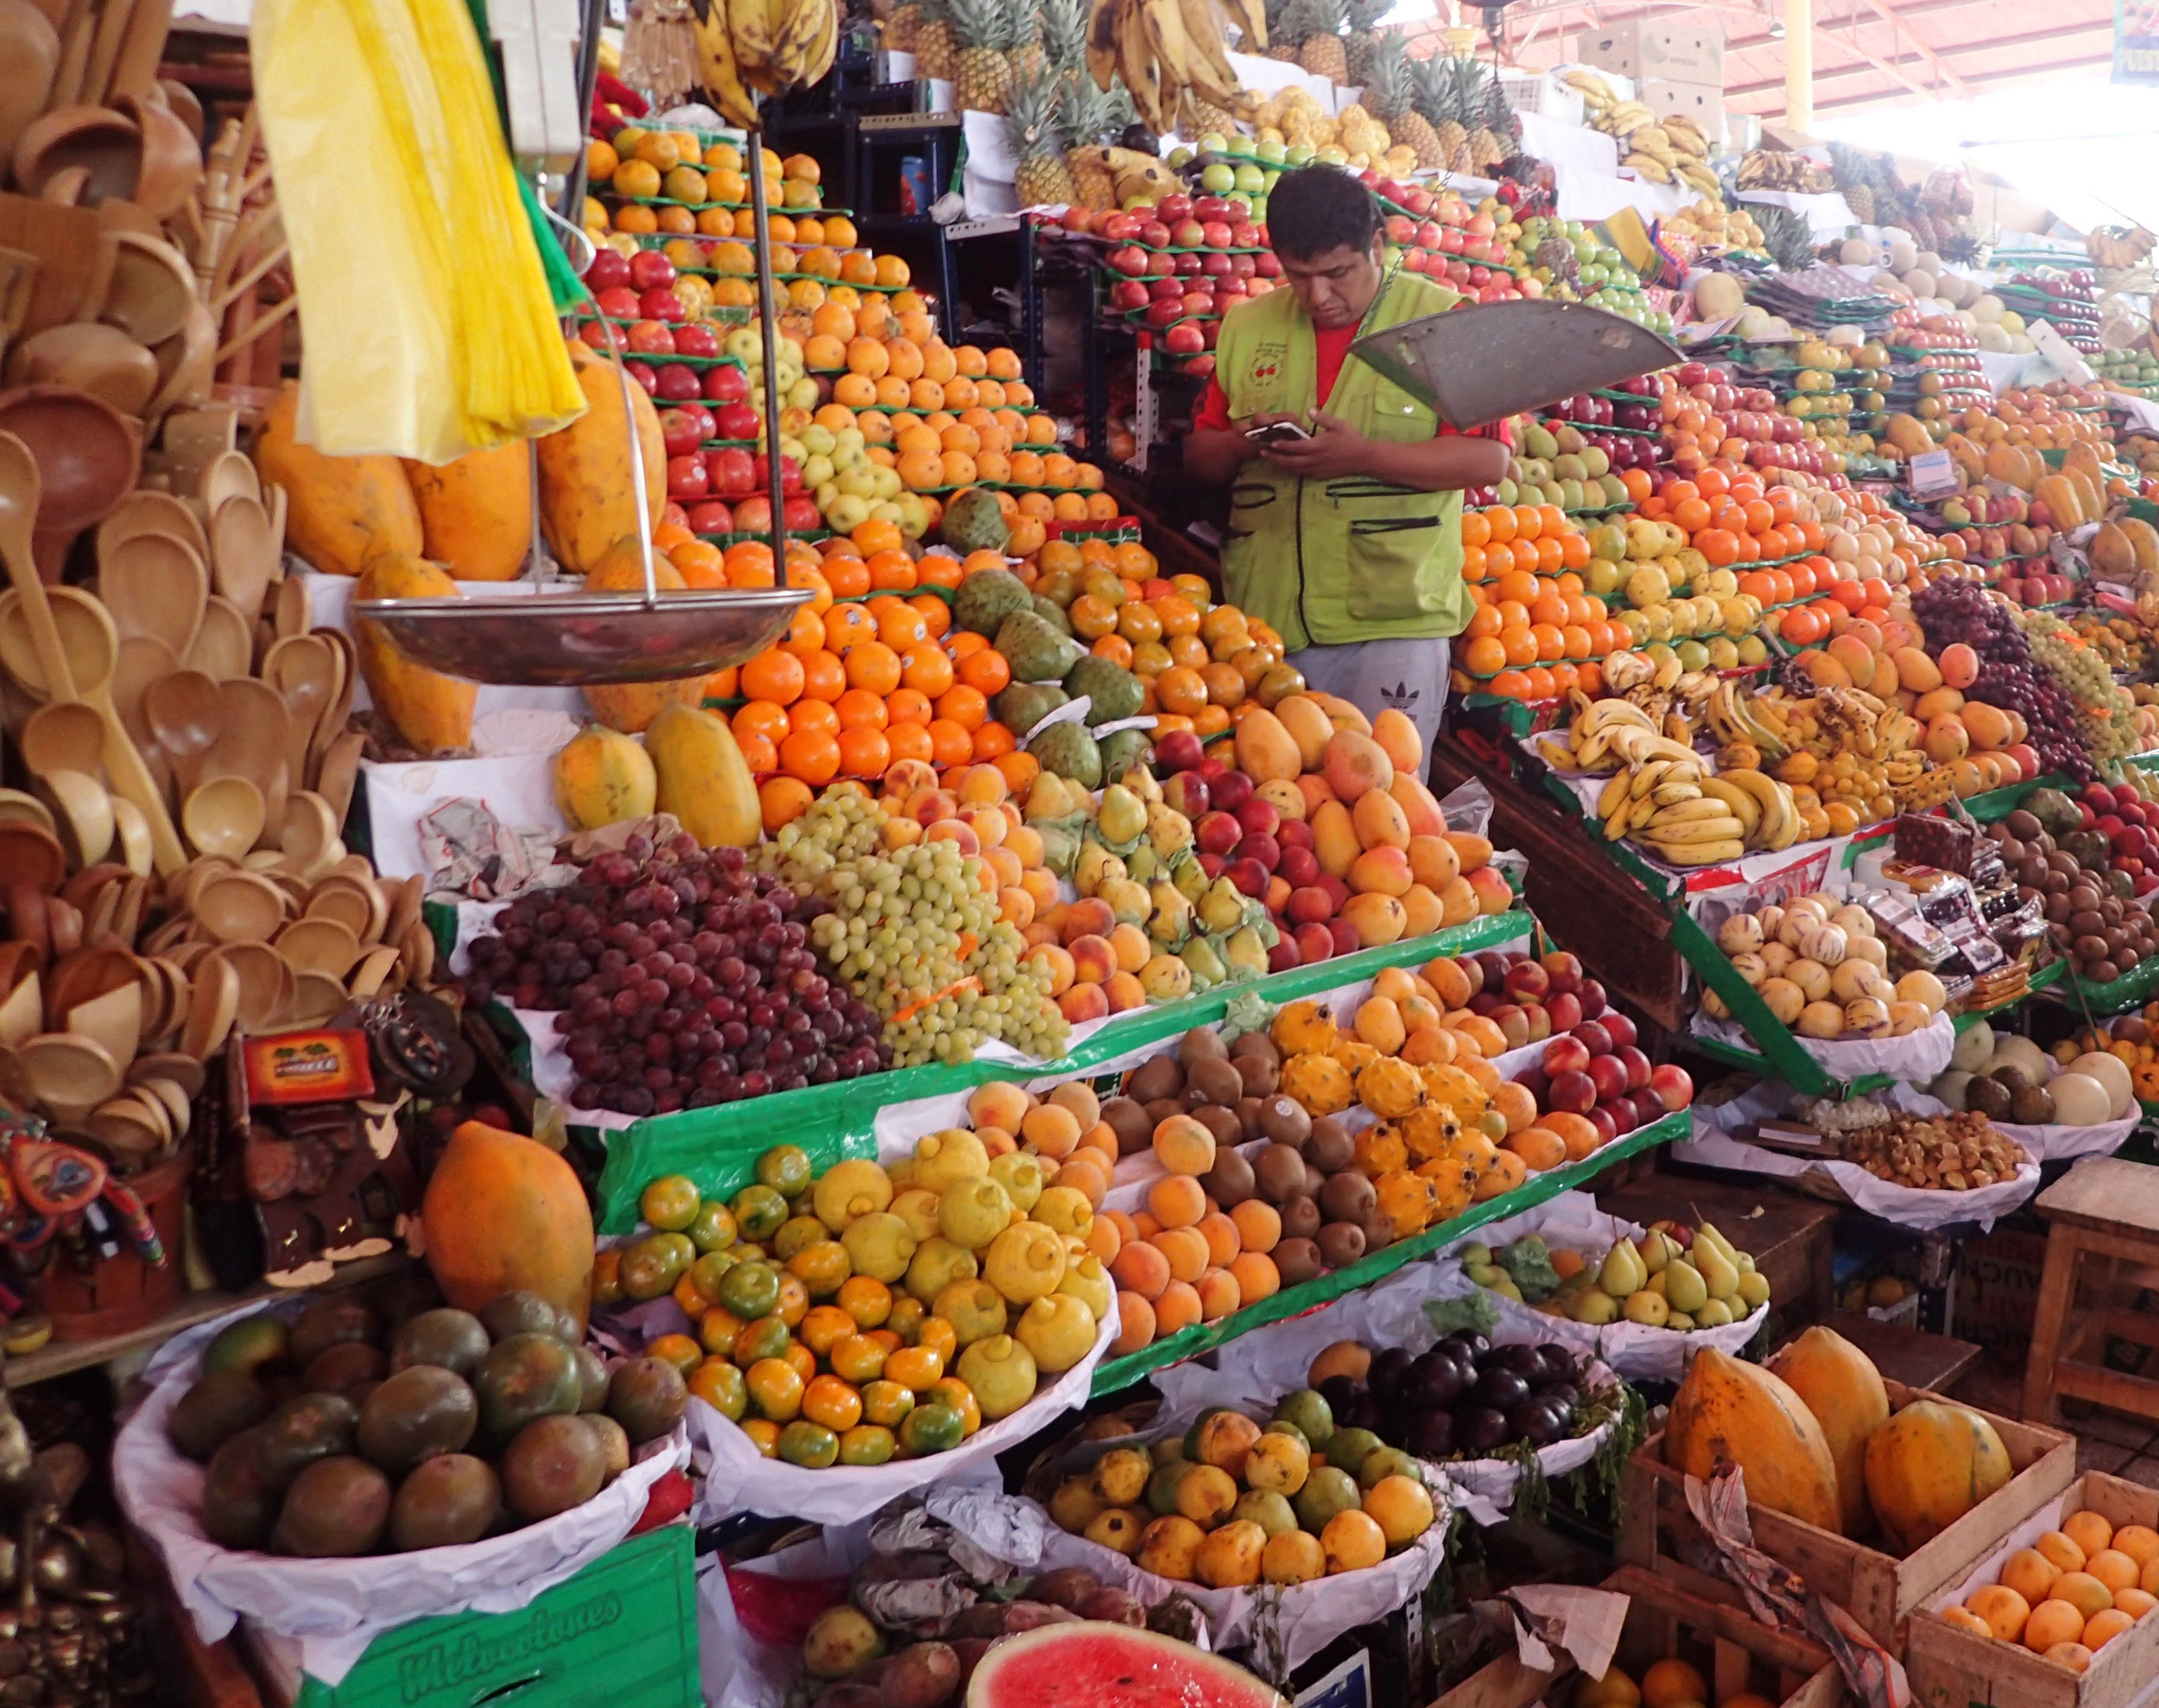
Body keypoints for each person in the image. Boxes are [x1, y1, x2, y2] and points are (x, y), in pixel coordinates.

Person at [1185, 166, 1510, 755]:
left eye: (1337, 274)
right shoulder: (1248, 324)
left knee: (1381, 809)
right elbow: (1201, 456)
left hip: (1390, 627)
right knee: (1277, 819)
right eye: (1299, 276)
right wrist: (1242, 442)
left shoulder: (1442, 320)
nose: (1318, 296)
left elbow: (1488, 460)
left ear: (1377, 247)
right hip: (1265, 625)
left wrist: (1361, 456)